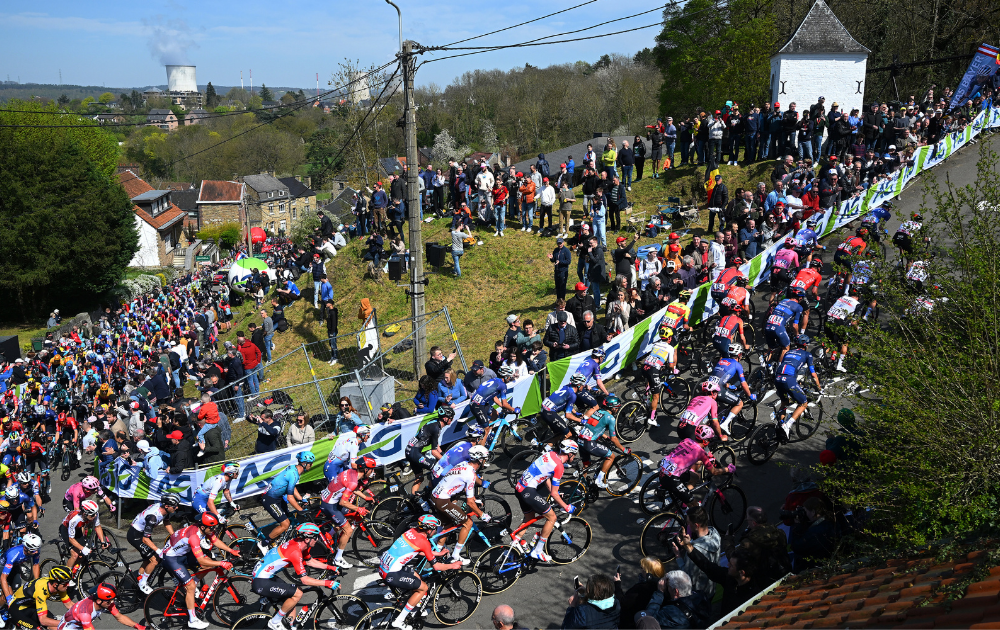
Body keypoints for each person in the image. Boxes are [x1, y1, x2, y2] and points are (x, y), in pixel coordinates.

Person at [379, 515, 463, 630]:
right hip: (391, 573)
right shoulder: (424, 541)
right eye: (434, 529)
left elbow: (415, 550)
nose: (434, 532)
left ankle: (413, 608)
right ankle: (399, 621)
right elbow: (437, 567)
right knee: (423, 588)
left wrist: (436, 554)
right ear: (428, 530)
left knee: (417, 577)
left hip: (385, 566)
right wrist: (453, 565)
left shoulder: (411, 531)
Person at [251, 523, 342, 630]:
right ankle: (275, 622)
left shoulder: (300, 544)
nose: (317, 540)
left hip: (267, 576)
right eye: (316, 537)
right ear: (307, 539)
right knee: (298, 592)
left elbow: (309, 561)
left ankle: (291, 627)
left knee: (291, 602)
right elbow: (304, 580)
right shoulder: (295, 552)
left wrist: (330, 567)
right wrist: (328, 583)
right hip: (261, 581)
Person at [160, 512, 239, 629]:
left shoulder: (203, 529)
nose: (214, 530)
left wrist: (231, 551)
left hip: (183, 553)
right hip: (172, 558)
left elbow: (215, 540)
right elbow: (201, 561)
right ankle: (192, 620)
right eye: (212, 528)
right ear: (203, 527)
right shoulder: (194, 537)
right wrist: (221, 562)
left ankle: (192, 584)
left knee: (209, 562)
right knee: (191, 586)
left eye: (215, 527)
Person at [514, 440, 580, 562]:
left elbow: (545, 477)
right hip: (528, 491)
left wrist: (553, 493)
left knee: (529, 518)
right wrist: (566, 507)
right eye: (574, 454)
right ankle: (538, 551)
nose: (574, 457)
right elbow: (555, 493)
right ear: (570, 453)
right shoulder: (559, 466)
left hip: (519, 487)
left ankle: (514, 544)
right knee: (552, 518)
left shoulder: (550, 454)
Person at [430, 446, 490, 564]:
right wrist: (482, 514)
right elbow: (470, 502)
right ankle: (456, 555)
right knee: (468, 523)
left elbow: (472, 478)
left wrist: (482, 483)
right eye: (484, 459)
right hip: (442, 500)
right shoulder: (470, 475)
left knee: (447, 524)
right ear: (480, 460)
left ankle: (438, 550)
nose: (485, 461)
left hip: (435, 496)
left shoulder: (463, 464)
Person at [320, 456, 377, 569]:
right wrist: (358, 508)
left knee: (350, 516)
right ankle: (338, 558)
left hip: (330, 499)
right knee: (348, 530)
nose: (372, 472)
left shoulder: (352, 473)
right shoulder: (353, 481)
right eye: (372, 469)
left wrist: (365, 497)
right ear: (365, 469)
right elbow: (343, 502)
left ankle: (329, 535)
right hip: (330, 505)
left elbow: (352, 488)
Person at [774, 335, 823, 441]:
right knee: (803, 403)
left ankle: (780, 425)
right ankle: (787, 426)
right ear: (805, 345)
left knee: (784, 402)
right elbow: (813, 375)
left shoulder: (788, 352)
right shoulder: (807, 354)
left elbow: (786, 366)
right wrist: (819, 388)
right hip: (789, 380)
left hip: (777, 378)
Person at [261, 451, 315, 547]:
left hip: (277, 498)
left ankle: (280, 543)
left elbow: (292, 487)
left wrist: (301, 499)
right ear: (304, 463)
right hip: (270, 499)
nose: (311, 465)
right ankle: (264, 544)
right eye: (310, 463)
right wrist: (300, 509)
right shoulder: (294, 474)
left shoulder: (294, 469)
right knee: (285, 524)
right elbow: (290, 498)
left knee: (290, 518)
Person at [129, 495, 179, 594]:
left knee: (147, 559)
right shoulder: (153, 516)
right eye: (174, 506)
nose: (176, 508)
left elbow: (166, 521)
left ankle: (138, 579)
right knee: (155, 559)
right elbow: (145, 539)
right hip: (136, 535)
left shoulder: (164, 509)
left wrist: (174, 537)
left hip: (143, 533)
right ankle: (142, 584)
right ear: (167, 506)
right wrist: (158, 550)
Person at [574, 394, 626, 489]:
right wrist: (624, 449)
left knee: (586, 465)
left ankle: (580, 488)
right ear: (613, 408)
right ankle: (599, 480)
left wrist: (605, 436)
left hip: (581, 440)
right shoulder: (610, 418)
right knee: (611, 456)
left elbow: (594, 427)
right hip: (589, 443)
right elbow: (614, 438)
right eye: (617, 408)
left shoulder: (598, 412)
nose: (617, 410)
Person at [636, 571, 710, 629]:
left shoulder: (670, 613)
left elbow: (649, 620)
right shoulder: (701, 597)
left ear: (676, 591)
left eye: (667, 586)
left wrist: (660, 592)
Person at [405, 406, 453, 496]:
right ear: (445, 418)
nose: (452, 419)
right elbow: (433, 452)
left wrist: (443, 454)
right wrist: (446, 462)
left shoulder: (435, 422)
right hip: (414, 452)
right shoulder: (436, 428)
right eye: (451, 418)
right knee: (436, 469)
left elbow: (435, 444)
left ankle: (411, 502)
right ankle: (429, 495)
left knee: (419, 478)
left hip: (410, 450)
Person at [7, 566, 74, 630]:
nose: (68, 585)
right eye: (65, 583)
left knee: (55, 625)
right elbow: (43, 621)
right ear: (55, 584)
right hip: (17, 609)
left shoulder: (59, 586)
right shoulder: (41, 591)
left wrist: (83, 611)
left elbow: (70, 604)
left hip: (32, 606)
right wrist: (66, 623)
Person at [641, 325, 678, 427]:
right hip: (652, 370)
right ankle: (652, 418)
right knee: (656, 396)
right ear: (669, 338)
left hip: (645, 367)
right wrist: (674, 370)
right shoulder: (670, 348)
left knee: (650, 380)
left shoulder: (656, 344)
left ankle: (645, 396)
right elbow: (671, 365)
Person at [60, 500, 107, 572]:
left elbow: (97, 527)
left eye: (95, 514)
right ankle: (66, 576)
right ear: (85, 514)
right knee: (75, 554)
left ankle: (75, 571)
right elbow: (71, 539)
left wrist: (103, 541)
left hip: (78, 529)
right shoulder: (75, 519)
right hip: (65, 530)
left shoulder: (94, 514)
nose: (95, 516)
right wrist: (82, 548)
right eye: (92, 515)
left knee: (81, 555)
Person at [1, 533, 41, 603]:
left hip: (14, 567)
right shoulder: (13, 554)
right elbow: (3, 578)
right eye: (33, 550)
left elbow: (35, 565)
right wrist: (8, 598)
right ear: (25, 548)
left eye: (37, 549)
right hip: (2, 568)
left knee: (16, 592)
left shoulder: (35, 550)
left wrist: (37, 583)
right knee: (7, 595)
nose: (36, 552)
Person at [764, 297, 804, 364]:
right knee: (785, 348)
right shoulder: (798, 307)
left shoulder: (784, 300)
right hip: (778, 328)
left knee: (771, 348)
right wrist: (797, 335)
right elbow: (794, 325)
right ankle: (779, 368)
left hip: (768, 325)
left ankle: (764, 367)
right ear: (800, 298)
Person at [549, 237, 572, 301]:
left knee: (562, 287)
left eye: (561, 243)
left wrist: (560, 262)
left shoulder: (566, 251)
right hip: (557, 271)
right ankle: (558, 301)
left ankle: (562, 301)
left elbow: (568, 261)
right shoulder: (555, 250)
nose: (559, 245)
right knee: (557, 287)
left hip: (563, 271)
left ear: (563, 243)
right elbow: (554, 260)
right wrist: (551, 258)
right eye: (558, 243)